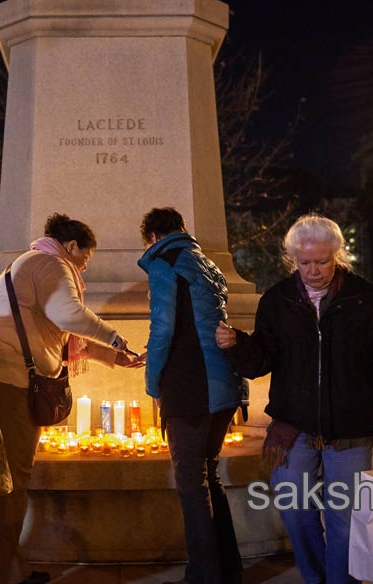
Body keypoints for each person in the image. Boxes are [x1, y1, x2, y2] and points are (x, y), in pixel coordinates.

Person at [216, 214, 373, 584]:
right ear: (293, 259)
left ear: (336, 255)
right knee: (295, 511)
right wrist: (237, 344)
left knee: (343, 519)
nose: (313, 270)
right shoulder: (278, 299)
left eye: (321, 261)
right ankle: (315, 577)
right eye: (304, 262)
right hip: (293, 429)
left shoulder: (365, 298)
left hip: (350, 429)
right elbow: (262, 359)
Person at [0, 213, 139, 584]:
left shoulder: (31, 264)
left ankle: (3, 565)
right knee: (11, 480)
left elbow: (54, 333)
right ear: (72, 246)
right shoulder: (50, 262)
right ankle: (2, 572)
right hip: (5, 379)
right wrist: (113, 338)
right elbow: (68, 314)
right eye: (86, 260)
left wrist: (109, 356)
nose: (84, 269)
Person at [137, 207, 247, 584]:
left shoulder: (165, 261)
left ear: (152, 237)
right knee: (208, 476)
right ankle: (227, 568)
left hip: (188, 386)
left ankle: (203, 575)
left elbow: (163, 329)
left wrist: (152, 383)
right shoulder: (206, 264)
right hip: (222, 383)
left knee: (190, 482)